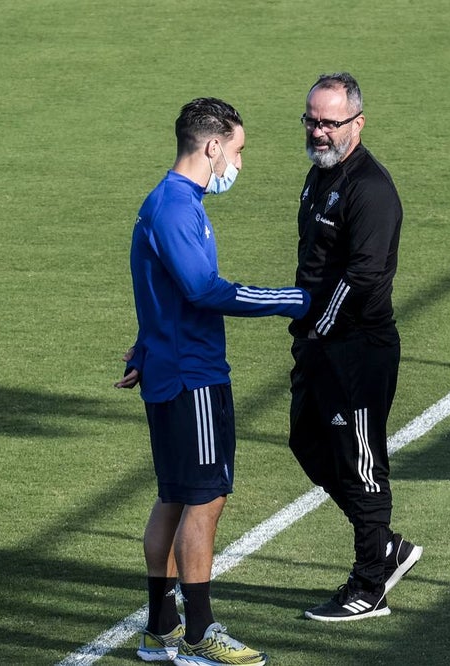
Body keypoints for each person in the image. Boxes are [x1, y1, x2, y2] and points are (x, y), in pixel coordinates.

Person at [116, 97, 309, 665]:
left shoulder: (169, 203)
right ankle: (199, 636)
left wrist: (145, 341)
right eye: (239, 150)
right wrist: (292, 300)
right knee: (205, 499)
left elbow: (158, 286)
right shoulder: (176, 208)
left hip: (168, 368)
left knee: (174, 496)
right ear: (212, 145)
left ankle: (160, 628)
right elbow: (203, 290)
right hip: (193, 379)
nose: (240, 164)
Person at [287, 72, 422, 622]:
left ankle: (370, 585)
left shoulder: (372, 189)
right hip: (317, 344)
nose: (318, 131)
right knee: (308, 445)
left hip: (357, 348)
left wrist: (321, 325)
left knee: (362, 466)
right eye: (311, 120)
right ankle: (385, 546)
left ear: (356, 123)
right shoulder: (320, 175)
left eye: (329, 122)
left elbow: (363, 275)